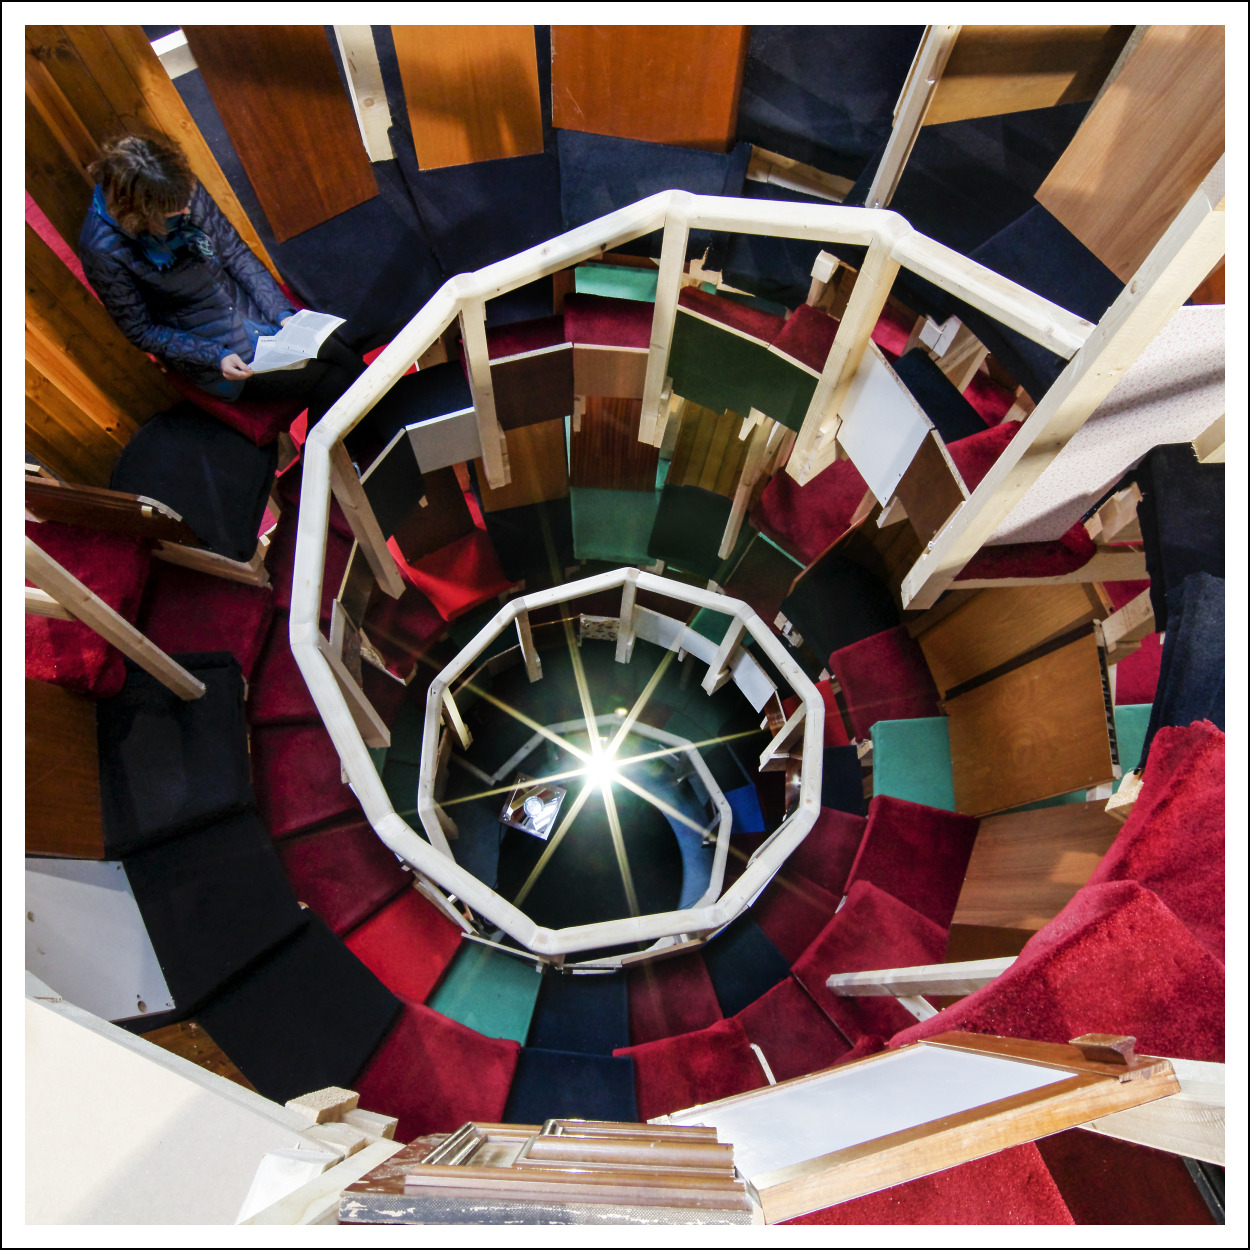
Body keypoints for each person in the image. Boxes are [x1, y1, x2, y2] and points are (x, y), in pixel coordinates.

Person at [78, 133, 364, 426]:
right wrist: (216, 356)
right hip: (220, 355)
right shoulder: (102, 250)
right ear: (142, 214)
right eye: (174, 210)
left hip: (251, 315)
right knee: (333, 377)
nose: (187, 210)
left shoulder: (177, 185)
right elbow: (142, 330)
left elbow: (235, 253)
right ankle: (342, 445)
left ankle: (378, 431)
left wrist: (281, 313)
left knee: (340, 352)